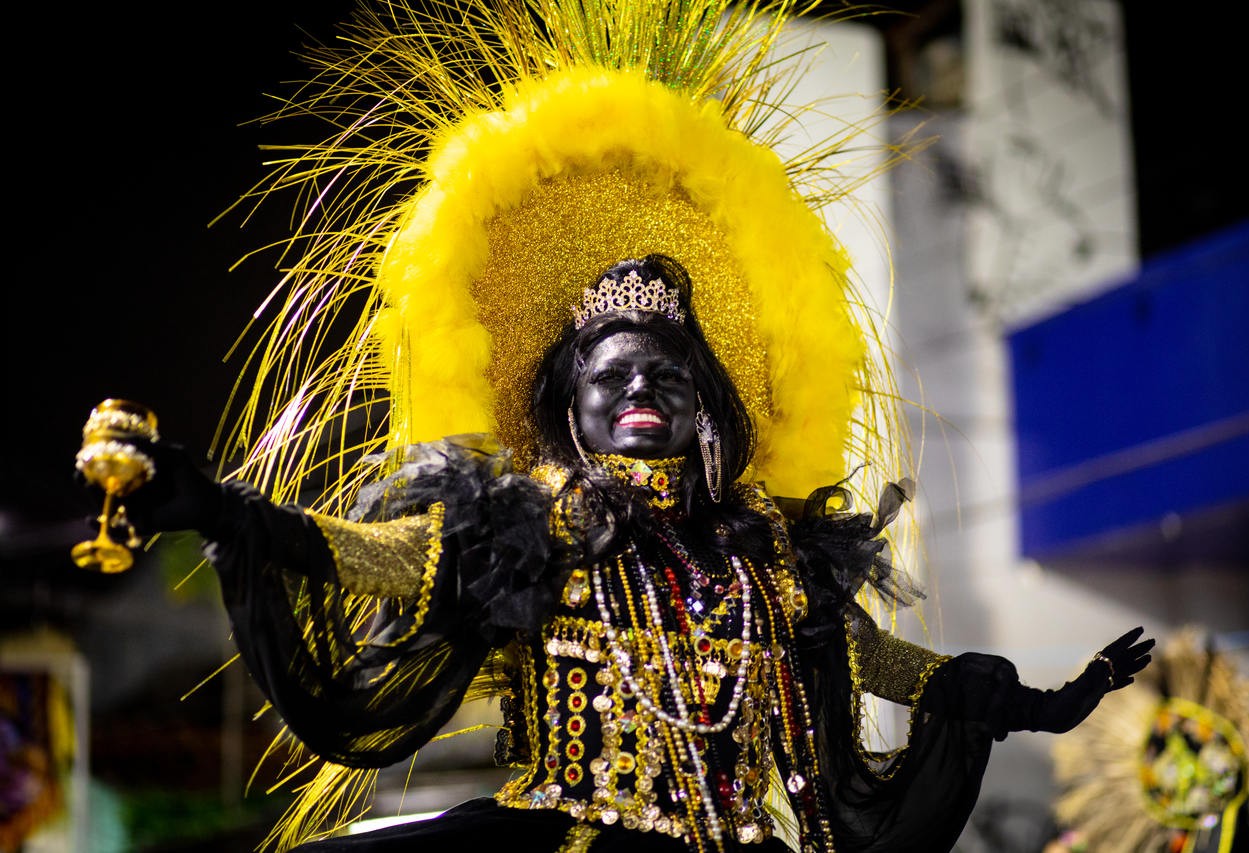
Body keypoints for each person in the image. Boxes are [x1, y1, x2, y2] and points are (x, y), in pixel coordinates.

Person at [80, 253, 1153, 852]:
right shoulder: (532, 521)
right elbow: (382, 557)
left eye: (666, 376)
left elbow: (877, 662)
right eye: (614, 377)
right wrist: (218, 508)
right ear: (573, 404)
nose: (641, 390)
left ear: (699, 407)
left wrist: (1036, 703)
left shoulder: (762, 549)